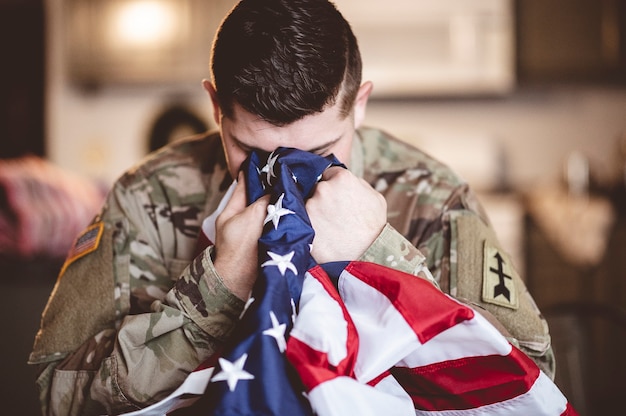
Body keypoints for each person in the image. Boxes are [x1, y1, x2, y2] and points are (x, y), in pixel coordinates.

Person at [29, 0, 554, 414]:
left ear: (361, 103)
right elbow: (57, 395)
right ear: (215, 106)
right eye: (253, 152)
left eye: (320, 154)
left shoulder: (432, 197)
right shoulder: (148, 198)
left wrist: (382, 259)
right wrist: (214, 292)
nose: (284, 174)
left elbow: (533, 387)